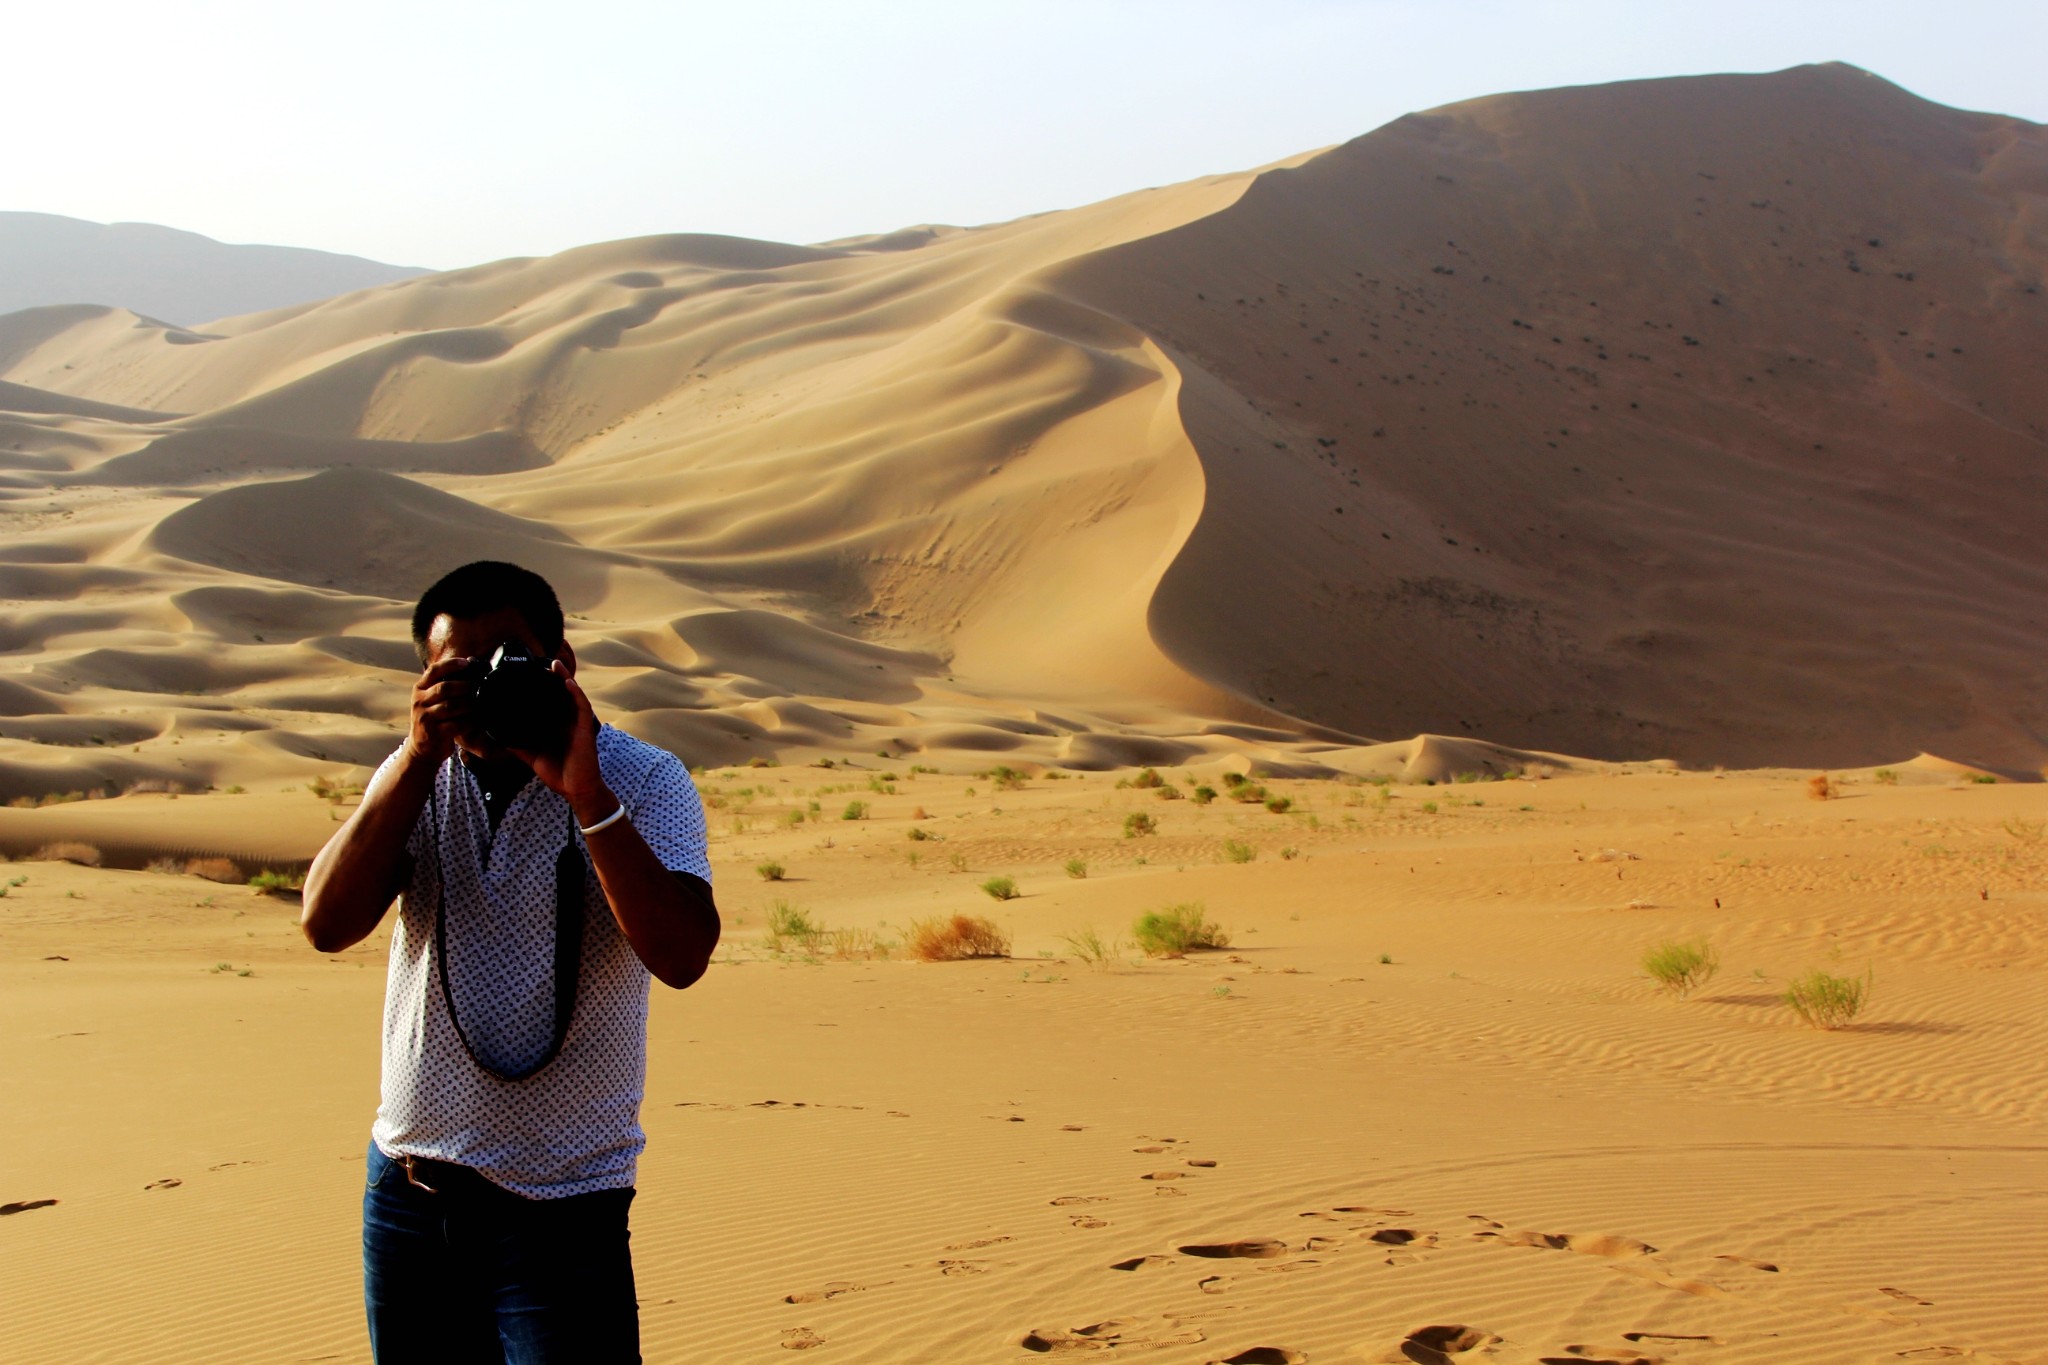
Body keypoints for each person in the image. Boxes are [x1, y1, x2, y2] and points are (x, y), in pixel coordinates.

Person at [301, 560, 719, 1365]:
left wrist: (588, 797)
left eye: (509, 660)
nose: (487, 686)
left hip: (563, 1206)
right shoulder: (414, 773)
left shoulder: (644, 778)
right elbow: (324, 922)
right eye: (457, 669)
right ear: (425, 680)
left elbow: (681, 956)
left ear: (562, 663)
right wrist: (420, 758)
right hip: (411, 1194)